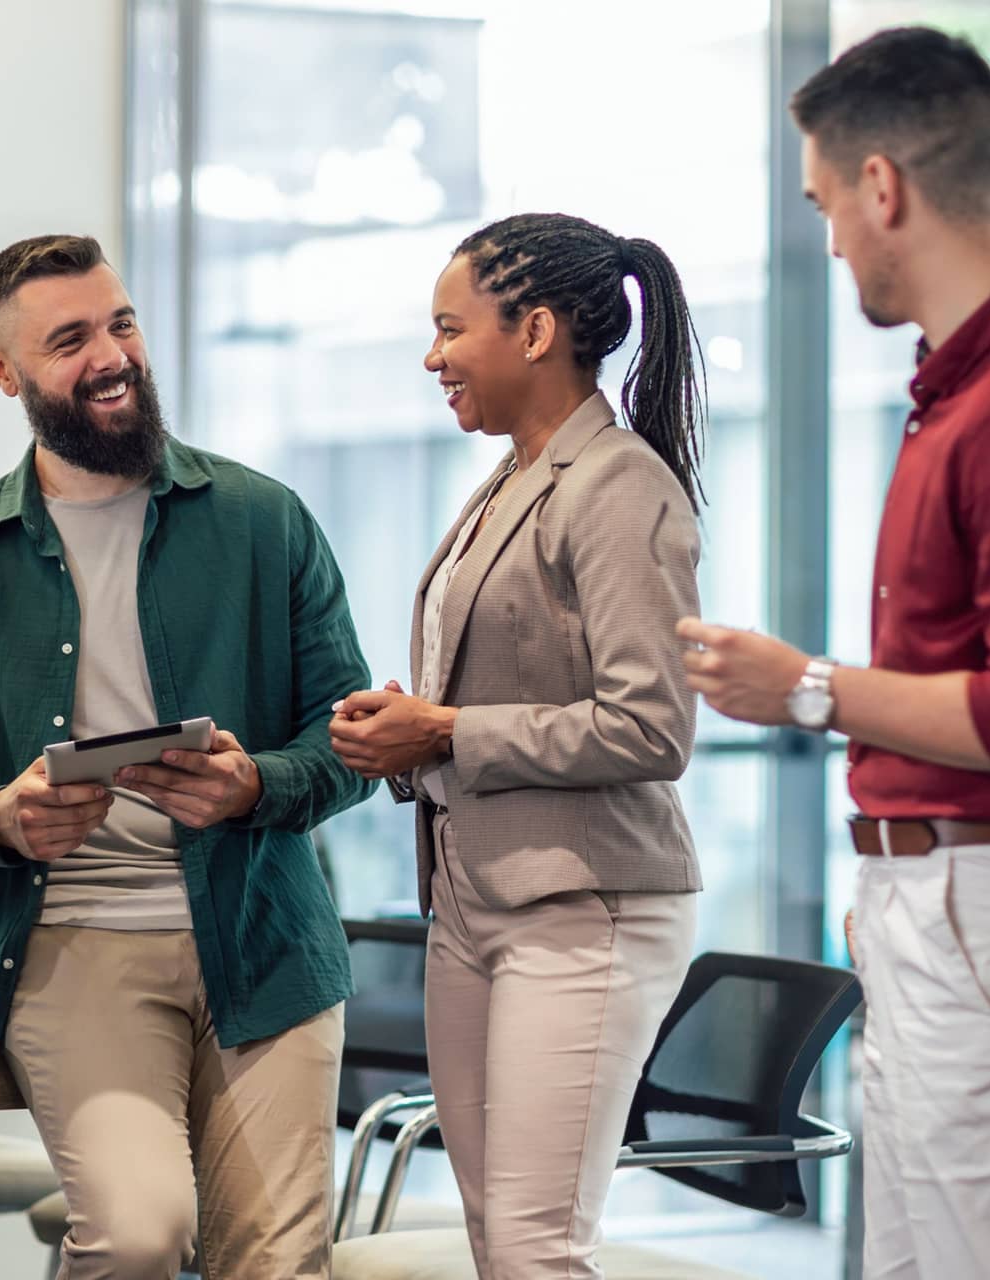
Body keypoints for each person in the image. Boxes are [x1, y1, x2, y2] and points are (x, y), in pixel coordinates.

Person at [680, 27, 990, 1280]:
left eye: (823, 203)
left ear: (880, 185)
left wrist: (806, 689)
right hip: (952, 899)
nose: (829, 239)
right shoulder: (973, 386)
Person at [0, 234, 371, 1279]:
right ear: (2, 370)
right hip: (74, 944)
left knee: (276, 1267)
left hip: (265, 943)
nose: (111, 356)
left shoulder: (264, 520)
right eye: (69, 340)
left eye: (121, 323)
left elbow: (349, 736)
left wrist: (255, 783)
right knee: (137, 1235)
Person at [330, 213, 707, 1279]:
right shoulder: (510, 477)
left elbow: (650, 724)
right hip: (474, 899)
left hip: (583, 906)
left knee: (537, 1248)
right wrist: (410, 733)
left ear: (534, 331)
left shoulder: (617, 483)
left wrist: (445, 729)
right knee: (496, 1240)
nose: (432, 356)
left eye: (451, 329)